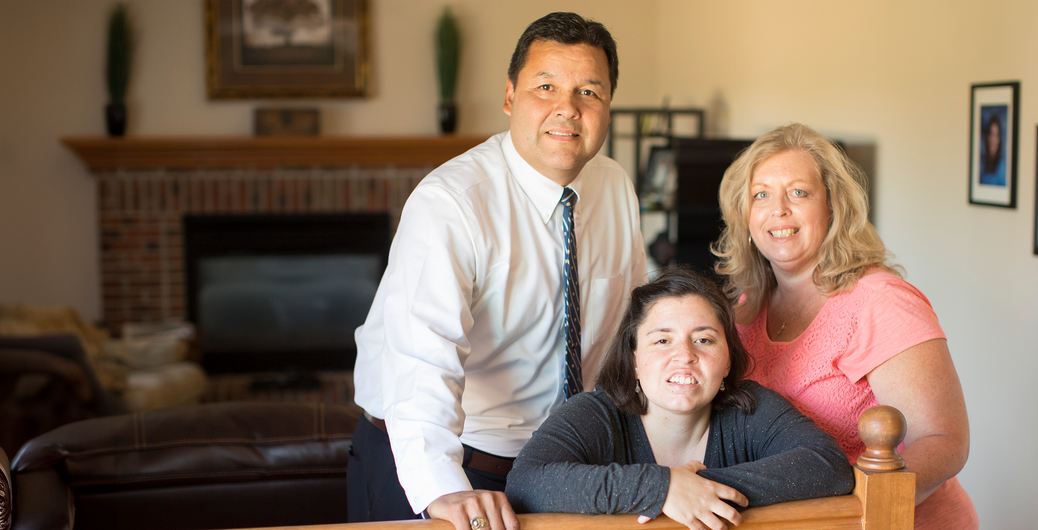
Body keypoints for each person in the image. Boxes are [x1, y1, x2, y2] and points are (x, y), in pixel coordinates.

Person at [348, 12, 647, 530]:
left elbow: (633, 331)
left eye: (589, 93)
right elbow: (420, 356)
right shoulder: (451, 203)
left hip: (563, 467)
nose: (567, 110)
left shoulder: (615, 187)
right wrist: (442, 488)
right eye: (546, 87)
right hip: (440, 460)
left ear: (608, 108)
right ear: (510, 97)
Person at [712, 123, 977, 529]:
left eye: (798, 193)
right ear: (744, 215)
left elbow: (944, 442)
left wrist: (851, 502)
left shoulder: (881, 302)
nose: (778, 209)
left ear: (833, 207)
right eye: (760, 195)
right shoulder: (744, 309)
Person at [506, 268, 854, 530]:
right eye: (662, 341)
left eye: (703, 339)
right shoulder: (595, 413)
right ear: (634, 360)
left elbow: (829, 466)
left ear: (728, 357)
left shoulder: (752, 407)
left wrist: (697, 490)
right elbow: (526, 483)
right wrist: (663, 488)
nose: (684, 355)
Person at [978, 112, 1005, 186]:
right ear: (987, 137)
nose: (993, 140)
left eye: (996, 135)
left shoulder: (1003, 168)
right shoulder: (981, 164)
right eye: (991, 134)